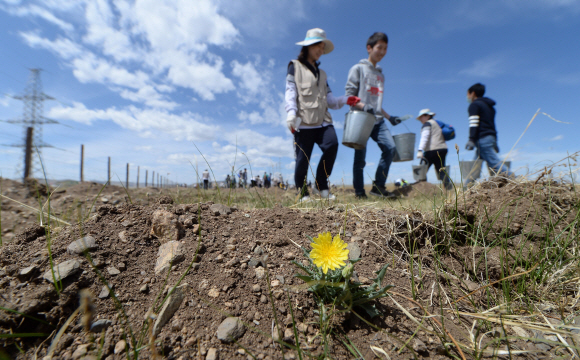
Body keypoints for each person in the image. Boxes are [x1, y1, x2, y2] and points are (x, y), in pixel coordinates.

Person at [285, 28, 357, 202]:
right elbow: (290, 91)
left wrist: (346, 99)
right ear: (308, 46)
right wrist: (291, 114)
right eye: (318, 45)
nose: (320, 50)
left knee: (332, 145)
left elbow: (330, 100)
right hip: (304, 121)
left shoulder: (322, 74)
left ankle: (320, 185)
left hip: (323, 121)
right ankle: (302, 193)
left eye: (323, 47)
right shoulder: (294, 66)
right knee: (303, 158)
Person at [345, 32, 407, 199]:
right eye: (379, 47)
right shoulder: (357, 69)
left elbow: (377, 104)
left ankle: (378, 187)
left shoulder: (381, 75)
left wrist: (389, 117)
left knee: (390, 148)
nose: (382, 52)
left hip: (378, 121)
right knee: (360, 158)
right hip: (360, 120)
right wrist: (364, 107)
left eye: (385, 48)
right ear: (369, 48)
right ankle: (359, 192)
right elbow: (349, 97)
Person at [465, 83, 512, 185]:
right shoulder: (490, 107)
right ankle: (466, 187)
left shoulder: (474, 105)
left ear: (472, 93)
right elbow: (492, 125)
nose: (467, 97)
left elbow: (474, 123)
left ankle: (516, 180)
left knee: (494, 162)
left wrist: (471, 139)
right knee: (475, 166)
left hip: (482, 139)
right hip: (490, 137)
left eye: (468, 94)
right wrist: (495, 142)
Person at [416, 109, 452, 189]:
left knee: (422, 169)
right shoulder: (437, 123)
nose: (420, 119)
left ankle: (422, 188)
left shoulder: (427, 124)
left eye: (422, 117)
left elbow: (425, 137)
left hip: (432, 150)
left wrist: (420, 150)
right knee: (441, 170)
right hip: (442, 148)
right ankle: (449, 189)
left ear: (427, 116)